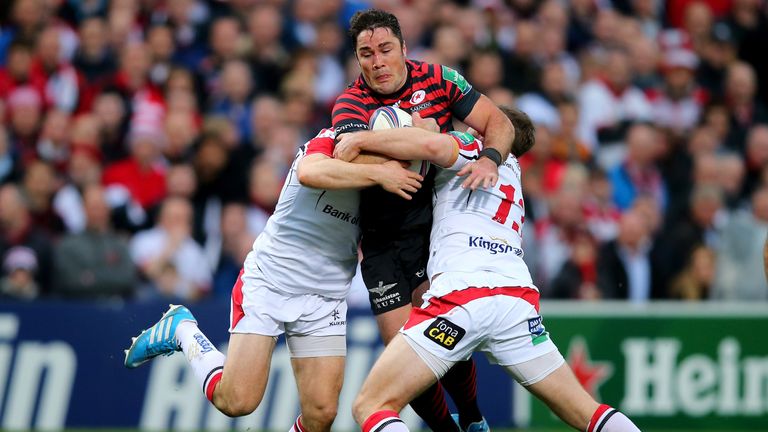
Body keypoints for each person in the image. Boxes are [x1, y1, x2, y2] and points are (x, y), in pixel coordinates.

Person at [338, 108, 641, 432]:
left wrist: (362, 138)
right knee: (589, 414)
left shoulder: (472, 148)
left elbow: (427, 146)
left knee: (370, 405)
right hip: (518, 304)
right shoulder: (514, 175)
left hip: (461, 299)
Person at [124, 127, 422, 432]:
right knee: (236, 401)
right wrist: (379, 174)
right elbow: (309, 172)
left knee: (321, 414)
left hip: (327, 294)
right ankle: (182, 330)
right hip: (272, 281)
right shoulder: (331, 143)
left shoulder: (395, 175)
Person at [331, 9, 514, 431]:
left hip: (434, 230)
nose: (376, 61)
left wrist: (489, 158)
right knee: (402, 352)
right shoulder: (350, 101)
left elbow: (497, 122)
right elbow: (349, 156)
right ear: (357, 60)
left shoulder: (438, 78)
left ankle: (472, 417)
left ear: (403, 49)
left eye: (384, 49)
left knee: (442, 334)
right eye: (365, 54)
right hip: (378, 239)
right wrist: (423, 140)